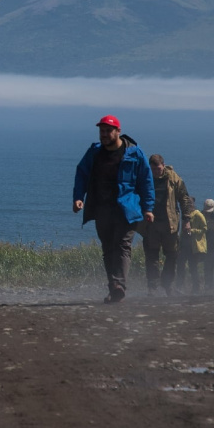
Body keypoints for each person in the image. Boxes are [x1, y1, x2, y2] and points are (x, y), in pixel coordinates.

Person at [73, 114, 155, 303]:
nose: (104, 134)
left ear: (118, 131)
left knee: (122, 245)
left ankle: (119, 284)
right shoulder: (94, 152)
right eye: (102, 131)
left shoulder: (134, 153)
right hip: (102, 208)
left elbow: (146, 180)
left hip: (127, 208)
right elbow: (82, 173)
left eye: (108, 131)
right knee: (108, 248)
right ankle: (114, 288)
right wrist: (78, 197)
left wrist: (148, 208)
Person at [141, 154, 195, 296]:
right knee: (151, 255)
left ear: (163, 166)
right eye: (153, 169)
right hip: (151, 224)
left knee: (172, 255)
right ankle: (153, 287)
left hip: (170, 224)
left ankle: (167, 284)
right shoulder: (145, 178)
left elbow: (184, 198)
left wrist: (187, 219)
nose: (156, 172)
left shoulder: (173, 178)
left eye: (158, 169)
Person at [185, 198, 208, 294]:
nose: (188, 206)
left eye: (190, 204)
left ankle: (196, 287)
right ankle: (194, 287)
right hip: (188, 245)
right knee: (191, 267)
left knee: (193, 266)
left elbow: (204, 228)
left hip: (196, 245)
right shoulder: (186, 216)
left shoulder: (198, 214)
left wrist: (192, 231)